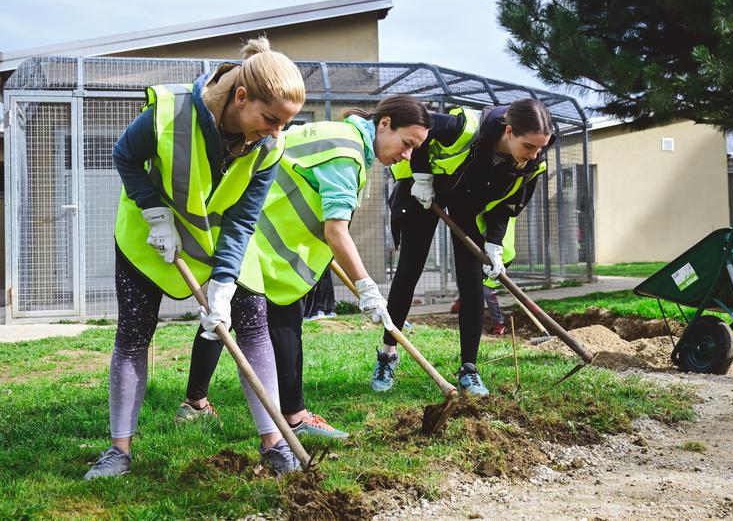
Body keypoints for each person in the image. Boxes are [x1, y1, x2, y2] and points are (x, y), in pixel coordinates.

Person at [85, 38, 306, 480]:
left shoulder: (269, 147)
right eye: (270, 119)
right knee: (133, 334)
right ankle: (118, 451)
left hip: (219, 241)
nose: (276, 131)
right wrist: (153, 212)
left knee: (254, 325)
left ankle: (275, 444)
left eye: (285, 123)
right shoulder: (169, 113)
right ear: (241, 96)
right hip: (149, 237)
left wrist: (223, 283)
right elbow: (125, 156)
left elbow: (244, 218)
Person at [178, 95, 432, 439]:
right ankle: (293, 417)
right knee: (278, 320)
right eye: (407, 144)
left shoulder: (339, 134)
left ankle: (195, 405)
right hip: (257, 239)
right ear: (384, 124)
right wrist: (367, 287)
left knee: (223, 314)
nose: (407, 155)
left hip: (249, 232)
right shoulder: (348, 155)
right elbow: (336, 230)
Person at [375, 99, 554, 396]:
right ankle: (387, 354)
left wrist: (494, 245)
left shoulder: (531, 164)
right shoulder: (464, 127)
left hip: (467, 203)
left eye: (540, 148)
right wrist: (420, 176)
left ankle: (469, 369)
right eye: (529, 146)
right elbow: (421, 131)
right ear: (509, 132)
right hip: (426, 189)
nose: (534, 155)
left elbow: (505, 205)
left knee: (473, 282)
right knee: (409, 270)